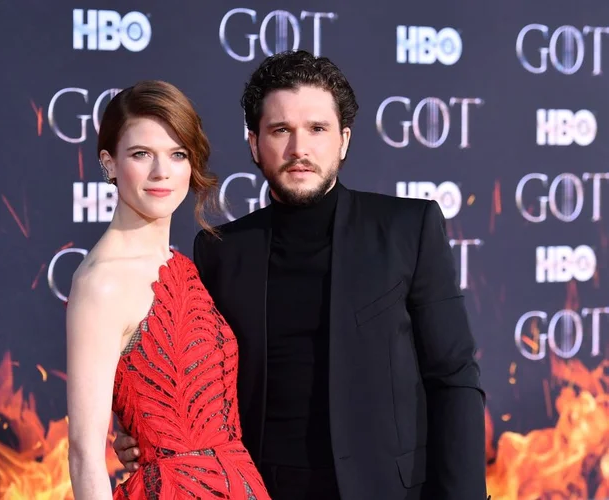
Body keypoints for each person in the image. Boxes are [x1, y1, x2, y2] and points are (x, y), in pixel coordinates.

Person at [114, 51, 489, 499]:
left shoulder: (407, 228)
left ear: (344, 140)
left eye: (317, 128)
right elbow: (198, 384)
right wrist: (147, 436)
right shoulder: (219, 250)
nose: (299, 150)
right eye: (280, 130)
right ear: (254, 144)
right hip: (255, 490)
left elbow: (454, 377)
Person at [66, 80, 271, 499]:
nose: (162, 172)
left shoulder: (183, 268)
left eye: (177, 154)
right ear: (109, 164)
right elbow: (84, 453)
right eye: (142, 154)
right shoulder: (101, 283)